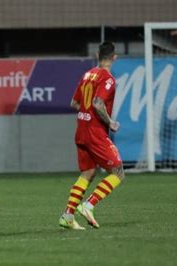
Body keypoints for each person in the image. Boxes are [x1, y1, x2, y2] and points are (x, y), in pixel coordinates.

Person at [59, 41, 125, 230]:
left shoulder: (87, 75)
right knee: (118, 172)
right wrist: (110, 122)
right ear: (114, 57)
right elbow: (97, 103)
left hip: (81, 129)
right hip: (95, 131)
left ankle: (68, 215)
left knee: (87, 173)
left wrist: (86, 113)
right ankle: (88, 205)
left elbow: (74, 103)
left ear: (97, 55)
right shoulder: (108, 78)